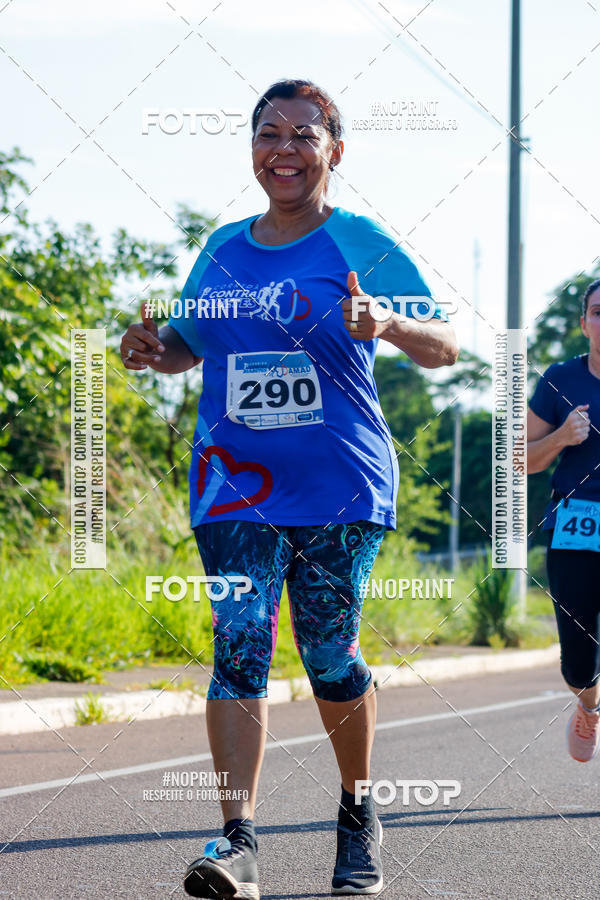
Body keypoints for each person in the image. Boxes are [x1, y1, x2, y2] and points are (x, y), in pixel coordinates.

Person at [120, 79, 458, 898]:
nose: (286, 149)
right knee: (238, 647)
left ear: (334, 152)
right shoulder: (223, 250)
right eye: (270, 133)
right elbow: (185, 347)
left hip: (340, 484)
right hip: (234, 486)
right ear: (251, 151)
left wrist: (387, 325)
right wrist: (148, 348)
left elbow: (444, 346)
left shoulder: (360, 241)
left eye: (305, 136)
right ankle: (236, 841)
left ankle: (356, 812)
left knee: (328, 652)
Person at [527, 277, 600, 763]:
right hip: (577, 522)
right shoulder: (560, 378)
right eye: (598, 311)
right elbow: (522, 458)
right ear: (584, 324)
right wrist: (561, 439)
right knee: (578, 656)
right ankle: (588, 702)